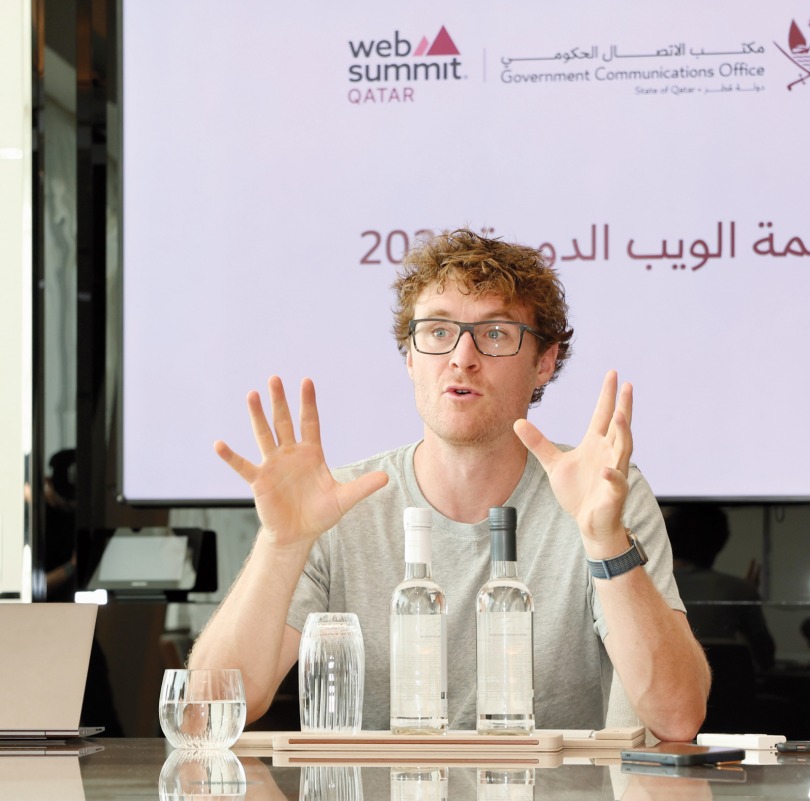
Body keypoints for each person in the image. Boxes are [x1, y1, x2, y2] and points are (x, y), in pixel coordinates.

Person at [188, 229, 709, 740]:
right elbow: (206, 716)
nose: (462, 357)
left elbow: (678, 717)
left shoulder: (602, 492)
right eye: (438, 332)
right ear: (410, 357)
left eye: (496, 333)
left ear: (544, 363)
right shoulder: (336, 505)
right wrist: (283, 544)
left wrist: (603, 538)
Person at [664, 504, 775, 671]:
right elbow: (765, 657)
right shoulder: (739, 591)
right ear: (719, 542)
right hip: (729, 695)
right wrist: (747, 594)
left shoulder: (648, 587)